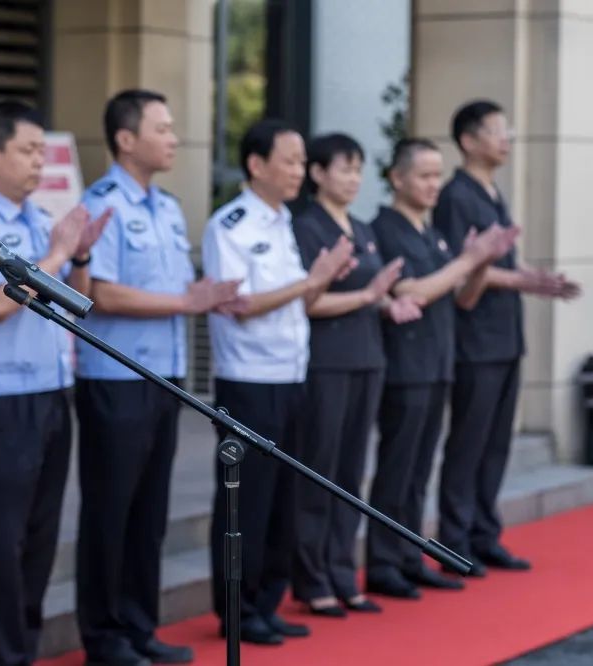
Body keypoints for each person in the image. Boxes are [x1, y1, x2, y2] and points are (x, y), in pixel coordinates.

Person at [75, 89, 240, 666]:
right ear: (126, 139)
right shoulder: (103, 204)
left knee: (149, 513)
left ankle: (140, 626)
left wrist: (200, 299)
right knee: (110, 512)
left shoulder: (167, 207)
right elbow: (102, 293)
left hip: (164, 377)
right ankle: (104, 636)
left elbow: (179, 293)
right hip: (116, 377)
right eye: (162, 128)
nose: (174, 138)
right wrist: (185, 301)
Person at [0, 100, 111, 666]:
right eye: (28, 149)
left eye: (44, 150)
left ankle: (25, 650)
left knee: (40, 539)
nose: (41, 161)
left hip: (51, 393)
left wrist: (80, 252)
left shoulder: (41, 220)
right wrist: (61, 251)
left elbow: (76, 295)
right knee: (0, 542)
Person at [203, 119, 355, 645]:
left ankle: (267, 601)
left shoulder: (283, 220)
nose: (297, 172)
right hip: (249, 378)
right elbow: (238, 305)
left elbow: (299, 299)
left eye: (299, 162)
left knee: (284, 498)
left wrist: (322, 281)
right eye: (289, 161)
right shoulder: (232, 224)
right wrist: (311, 281)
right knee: (245, 499)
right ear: (256, 164)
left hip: (293, 373)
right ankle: (236, 612)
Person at [366, 138, 518, 599]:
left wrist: (478, 264)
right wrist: (468, 260)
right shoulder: (385, 229)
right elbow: (414, 291)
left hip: (438, 362)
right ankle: (383, 562)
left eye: (437, 175)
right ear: (398, 178)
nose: (435, 185)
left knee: (417, 472)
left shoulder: (433, 233)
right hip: (405, 367)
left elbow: (462, 297)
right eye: (425, 176)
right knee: (396, 469)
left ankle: (411, 555)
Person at [434, 100, 580, 575]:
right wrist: (519, 280)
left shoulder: (492, 192)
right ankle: (454, 539)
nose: (506, 140)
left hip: (503, 336)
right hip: (474, 338)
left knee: (495, 442)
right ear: (468, 141)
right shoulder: (456, 196)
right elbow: (460, 268)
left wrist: (534, 279)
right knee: (469, 441)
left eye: (508, 132)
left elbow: (500, 266)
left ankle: (484, 533)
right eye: (496, 131)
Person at [290, 133, 422, 617]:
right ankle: (312, 576)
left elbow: (374, 290)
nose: (352, 179)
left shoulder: (364, 228)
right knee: (319, 471)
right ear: (318, 173)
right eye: (343, 169)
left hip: (369, 358)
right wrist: (369, 299)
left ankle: (344, 571)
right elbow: (308, 300)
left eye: (357, 169)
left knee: (349, 473)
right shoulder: (306, 227)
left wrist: (391, 303)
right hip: (327, 361)